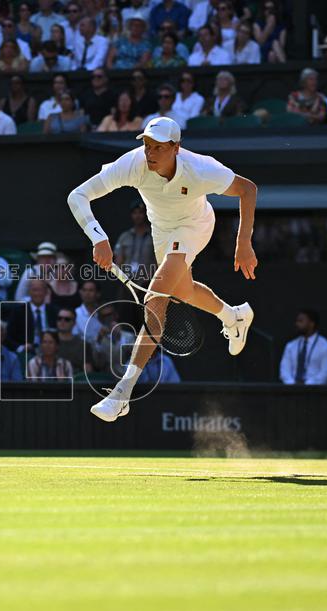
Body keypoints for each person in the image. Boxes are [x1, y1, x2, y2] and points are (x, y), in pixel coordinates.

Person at [68, 116, 257, 421]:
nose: (150, 153)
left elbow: (248, 189)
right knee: (183, 290)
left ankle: (121, 394)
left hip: (195, 226)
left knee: (156, 301)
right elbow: (77, 196)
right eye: (146, 145)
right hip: (162, 231)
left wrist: (243, 242)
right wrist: (99, 238)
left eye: (158, 147)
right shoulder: (133, 164)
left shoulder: (202, 170)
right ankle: (234, 315)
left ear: (176, 148)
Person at [279, 309, 327, 385]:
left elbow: (326, 374)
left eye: (301, 321)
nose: (297, 324)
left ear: (311, 324)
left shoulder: (326, 347)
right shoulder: (290, 346)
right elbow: (284, 371)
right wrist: (292, 385)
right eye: (297, 321)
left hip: (316, 392)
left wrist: (306, 386)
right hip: (291, 391)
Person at [4, 279, 58, 354]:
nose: (38, 293)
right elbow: (7, 337)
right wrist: (21, 348)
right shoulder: (18, 312)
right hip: (26, 353)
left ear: (46, 292)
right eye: (34, 290)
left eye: (41, 290)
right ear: (29, 292)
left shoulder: (54, 312)